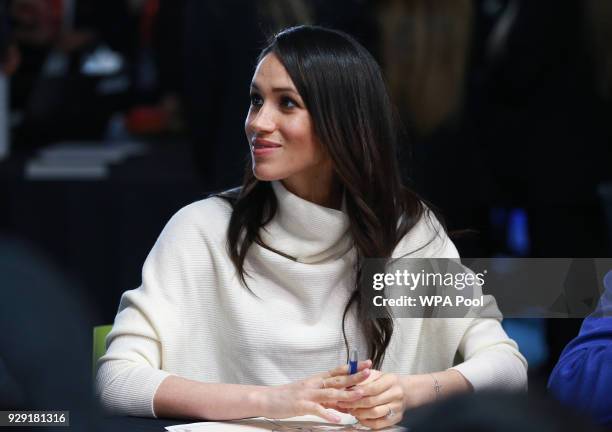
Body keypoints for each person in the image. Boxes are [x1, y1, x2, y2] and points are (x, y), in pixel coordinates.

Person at [96, 25, 527, 429]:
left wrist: (409, 390)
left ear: (342, 123)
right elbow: (115, 380)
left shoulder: (408, 235)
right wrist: (271, 402)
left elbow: (506, 367)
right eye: (255, 99)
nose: (258, 123)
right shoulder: (202, 230)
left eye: (287, 103)